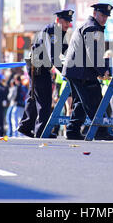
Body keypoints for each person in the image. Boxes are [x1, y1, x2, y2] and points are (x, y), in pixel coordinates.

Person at [62, 3, 113, 141]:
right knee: (95, 100)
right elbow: (92, 53)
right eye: (102, 15)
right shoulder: (92, 28)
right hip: (81, 71)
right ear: (95, 14)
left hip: (78, 70)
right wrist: (103, 70)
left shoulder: (90, 26)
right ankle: (100, 131)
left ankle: (72, 131)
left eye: (106, 16)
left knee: (81, 102)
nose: (104, 18)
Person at [18, 9, 73, 138]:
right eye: (65, 21)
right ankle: (42, 131)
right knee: (44, 99)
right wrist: (65, 72)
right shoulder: (52, 32)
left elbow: (65, 49)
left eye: (69, 22)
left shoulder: (58, 31)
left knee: (34, 96)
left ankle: (25, 126)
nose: (68, 24)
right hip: (38, 66)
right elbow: (53, 55)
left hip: (38, 65)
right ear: (58, 20)